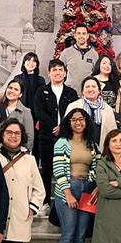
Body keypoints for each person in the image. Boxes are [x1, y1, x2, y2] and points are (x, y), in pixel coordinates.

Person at [53, 108, 100, 243]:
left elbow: (97, 168)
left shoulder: (92, 145)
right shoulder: (62, 143)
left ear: (86, 122)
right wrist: (67, 193)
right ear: (69, 122)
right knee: (69, 233)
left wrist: (96, 188)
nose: (78, 122)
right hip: (68, 189)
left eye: (81, 119)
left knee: (81, 235)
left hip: (87, 189)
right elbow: (58, 169)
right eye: (74, 119)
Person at [34, 59, 79, 216]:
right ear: (49, 73)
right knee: (46, 169)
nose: (58, 72)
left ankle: (62, 202)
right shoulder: (41, 91)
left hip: (66, 137)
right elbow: (38, 111)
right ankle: (45, 202)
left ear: (65, 73)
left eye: (61, 70)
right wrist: (53, 126)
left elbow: (74, 113)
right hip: (46, 136)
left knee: (66, 169)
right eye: (54, 70)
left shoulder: (71, 93)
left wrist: (62, 127)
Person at [65, 76, 117, 150]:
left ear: (99, 91)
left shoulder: (107, 109)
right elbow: (66, 129)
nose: (90, 89)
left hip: (101, 150)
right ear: (82, 91)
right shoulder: (73, 106)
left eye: (93, 86)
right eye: (87, 87)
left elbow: (112, 132)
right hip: (77, 151)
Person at [14, 52, 46, 160]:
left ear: (37, 64)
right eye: (28, 60)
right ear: (24, 63)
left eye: (34, 61)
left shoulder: (40, 80)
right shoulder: (18, 78)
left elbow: (43, 100)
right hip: (21, 112)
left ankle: (35, 165)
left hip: (36, 115)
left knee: (35, 140)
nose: (31, 63)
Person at [59, 23, 99, 93]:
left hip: (87, 93)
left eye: (83, 33)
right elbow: (59, 71)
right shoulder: (66, 52)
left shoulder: (94, 54)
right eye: (79, 33)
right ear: (75, 36)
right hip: (69, 92)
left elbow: (97, 74)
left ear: (87, 36)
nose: (81, 36)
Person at [0, 79, 35, 152]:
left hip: (17, 152)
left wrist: (25, 153)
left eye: (16, 89)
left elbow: (29, 137)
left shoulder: (26, 111)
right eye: (10, 88)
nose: (12, 91)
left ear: (20, 94)